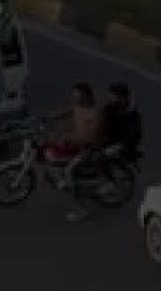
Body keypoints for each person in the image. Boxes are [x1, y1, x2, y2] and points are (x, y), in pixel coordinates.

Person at [45, 82, 103, 221]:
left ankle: (81, 209)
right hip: (77, 145)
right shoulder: (77, 107)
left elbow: (88, 138)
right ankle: (62, 181)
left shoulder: (94, 114)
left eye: (78, 96)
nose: (75, 98)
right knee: (52, 153)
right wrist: (48, 117)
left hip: (88, 150)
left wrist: (69, 140)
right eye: (74, 96)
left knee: (68, 171)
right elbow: (66, 111)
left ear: (87, 96)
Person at [101, 82, 142, 163]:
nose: (110, 97)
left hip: (124, 145)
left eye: (113, 95)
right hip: (111, 139)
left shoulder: (131, 115)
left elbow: (133, 136)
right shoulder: (109, 108)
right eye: (110, 95)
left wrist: (117, 146)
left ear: (122, 97)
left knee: (102, 155)